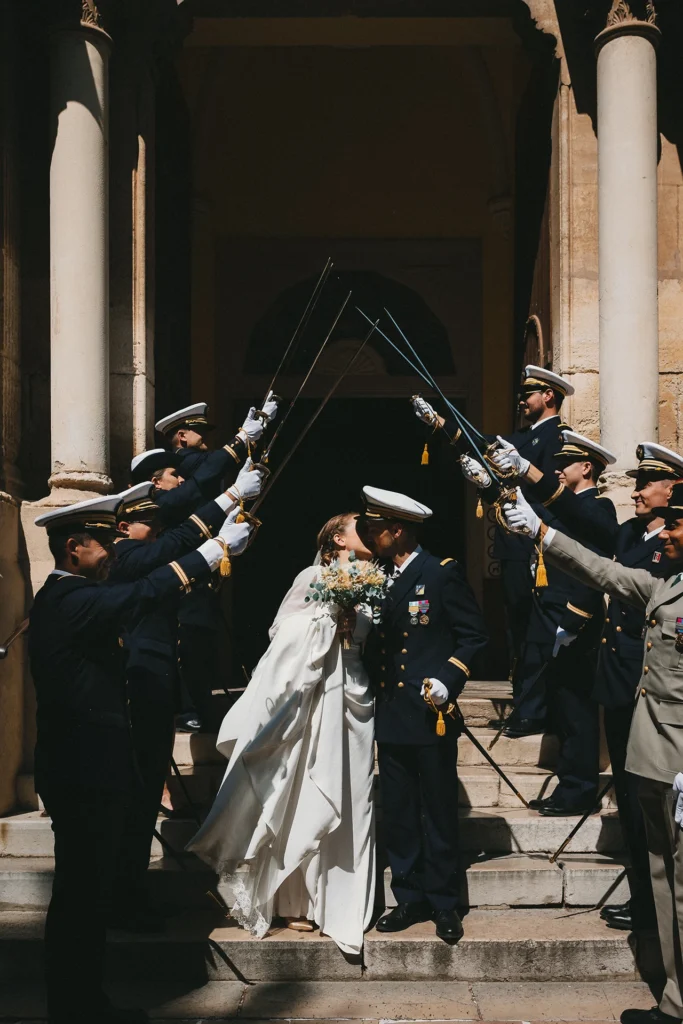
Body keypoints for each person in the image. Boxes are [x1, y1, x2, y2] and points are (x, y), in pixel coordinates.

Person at [28, 493, 252, 1024]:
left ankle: (84, 1003)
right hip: (83, 775)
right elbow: (142, 592)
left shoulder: (73, 596)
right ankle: (76, 1007)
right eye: (104, 542)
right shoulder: (68, 599)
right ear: (73, 547)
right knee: (81, 900)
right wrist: (209, 552)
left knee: (87, 898)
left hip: (91, 771)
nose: (114, 551)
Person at [504, 483, 683, 1024]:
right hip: (652, 762)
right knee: (665, 883)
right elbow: (603, 572)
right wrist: (541, 532)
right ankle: (675, 1000)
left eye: (677, 525)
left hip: (680, 768)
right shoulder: (668, 585)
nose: (666, 534)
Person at [188, 512, 376, 955]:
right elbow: (283, 631)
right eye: (359, 526)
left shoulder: (376, 581)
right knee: (301, 793)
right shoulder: (313, 576)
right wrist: (329, 620)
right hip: (312, 697)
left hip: (351, 693)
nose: (369, 532)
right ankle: (294, 900)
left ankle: (336, 898)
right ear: (337, 539)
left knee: (351, 795)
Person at [107, 469, 265, 928]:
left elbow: (176, 571)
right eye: (150, 525)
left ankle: (129, 892)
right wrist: (227, 504)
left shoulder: (140, 554)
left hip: (154, 689)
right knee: (135, 799)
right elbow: (172, 551)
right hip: (137, 692)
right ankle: (123, 898)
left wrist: (221, 547)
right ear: (123, 528)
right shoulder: (125, 555)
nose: (157, 532)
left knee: (141, 801)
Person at [412, 363, 572, 731]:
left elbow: (555, 495)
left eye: (528, 394)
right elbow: (480, 443)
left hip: (536, 548)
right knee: (518, 630)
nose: (521, 400)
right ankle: (525, 703)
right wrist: (440, 421)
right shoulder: (523, 437)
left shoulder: (558, 439)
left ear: (549, 396)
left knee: (536, 630)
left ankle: (536, 709)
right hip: (514, 547)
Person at [360, 485, 488, 941]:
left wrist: (449, 678)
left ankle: (444, 902)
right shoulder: (376, 577)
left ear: (398, 531)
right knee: (398, 810)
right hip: (393, 712)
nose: (370, 536)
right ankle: (409, 897)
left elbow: (473, 635)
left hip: (431, 710)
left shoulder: (440, 573)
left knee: (437, 809)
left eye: (376, 529)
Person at [482, 430, 617, 814]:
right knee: (562, 707)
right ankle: (568, 785)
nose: (557, 469)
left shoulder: (599, 507)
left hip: (574, 619)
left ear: (586, 468)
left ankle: (579, 789)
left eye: (565, 463)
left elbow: (595, 569)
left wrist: (575, 618)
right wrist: (490, 481)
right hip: (549, 614)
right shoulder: (564, 506)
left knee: (576, 709)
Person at [153, 397, 278, 731]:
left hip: (201, 570)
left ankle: (200, 706)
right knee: (189, 645)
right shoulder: (185, 462)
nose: (206, 438)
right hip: (183, 574)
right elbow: (211, 467)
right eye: (200, 433)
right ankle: (190, 708)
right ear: (182, 437)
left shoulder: (192, 466)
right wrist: (243, 439)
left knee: (202, 643)